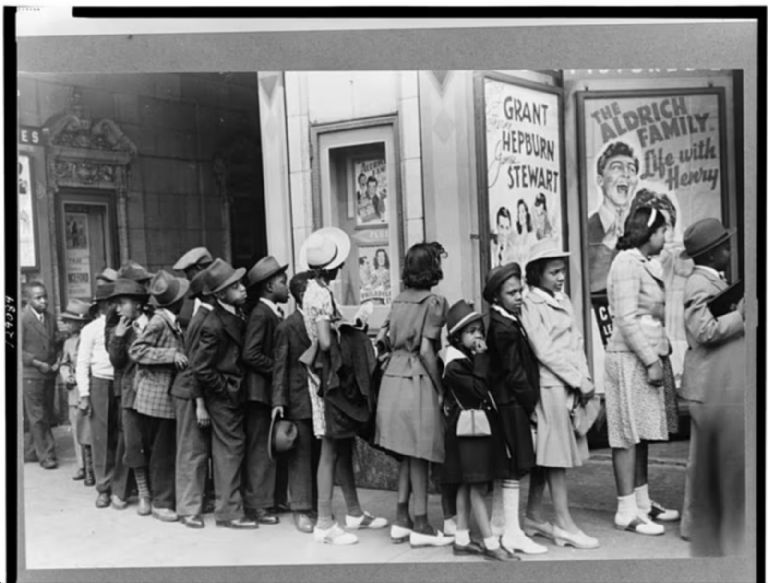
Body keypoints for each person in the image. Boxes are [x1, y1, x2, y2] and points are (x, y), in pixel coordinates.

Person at [299, 227, 387, 545]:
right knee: (331, 447)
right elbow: (324, 340)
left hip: (326, 375)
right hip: (327, 379)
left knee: (342, 444)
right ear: (332, 266)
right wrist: (348, 328)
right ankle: (324, 521)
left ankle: (353, 510)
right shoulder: (320, 294)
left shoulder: (314, 290)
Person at [604, 205, 679, 537]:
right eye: (663, 231)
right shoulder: (625, 264)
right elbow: (625, 318)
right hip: (629, 358)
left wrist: (658, 353)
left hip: (643, 356)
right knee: (626, 435)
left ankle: (643, 504)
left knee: (643, 433)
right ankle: (626, 510)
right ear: (648, 233)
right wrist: (650, 360)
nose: (666, 237)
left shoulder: (645, 263)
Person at [520, 239, 599, 549]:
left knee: (550, 455)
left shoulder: (561, 299)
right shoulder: (530, 304)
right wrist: (578, 380)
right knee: (555, 457)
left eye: (562, 270)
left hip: (567, 385)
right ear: (537, 273)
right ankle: (563, 523)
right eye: (554, 271)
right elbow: (545, 351)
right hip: (549, 385)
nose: (560, 276)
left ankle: (534, 515)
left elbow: (576, 341)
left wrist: (584, 380)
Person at [375, 241, 453, 548]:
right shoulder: (434, 302)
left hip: (392, 379)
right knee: (421, 452)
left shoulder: (397, 301)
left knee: (405, 455)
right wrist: (441, 387)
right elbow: (426, 350)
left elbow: (383, 337)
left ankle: (401, 518)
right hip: (416, 378)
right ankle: (421, 524)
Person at [678, 218, 745, 555]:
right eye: (726, 246)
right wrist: (742, 316)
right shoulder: (698, 285)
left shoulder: (709, 280)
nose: (730, 250)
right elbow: (704, 332)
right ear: (714, 254)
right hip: (706, 386)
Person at [441, 300, 519, 562]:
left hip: (473, 431)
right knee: (476, 485)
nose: (477, 336)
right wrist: (482, 358)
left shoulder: (468, 359)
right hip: (468, 433)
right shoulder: (454, 365)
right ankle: (489, 542)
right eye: (470, 331)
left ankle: (462, 538)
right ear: (456, 337)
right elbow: (477, 390)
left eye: (479, 330)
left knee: (467, 483)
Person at [482, 263, 547, 555]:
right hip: (511, 403)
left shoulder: (505, 320)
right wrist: (531, 402)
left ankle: (499, 525)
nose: (519, 296)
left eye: (520, 290)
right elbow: (514, 372)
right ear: (496, 297)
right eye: (512, 293)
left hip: (507, 402)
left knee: (507, 466)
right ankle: (512, 532)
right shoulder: (503, 327)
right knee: (513, 467)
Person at [191, 258, 259, 529]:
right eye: (235, 286)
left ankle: (232, 507)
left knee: (233, 449)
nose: (242, 289)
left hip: (231, 395)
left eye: (240, 284)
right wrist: (227, 390)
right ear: (220, 294)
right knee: (230, 451)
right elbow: (201, 368)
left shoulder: (233, 314)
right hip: (225, 398)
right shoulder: (214, 323)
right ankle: (229, 512)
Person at [129, 271, 189, 523]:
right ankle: (161, 503)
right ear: (175, 301)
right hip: (155, 399)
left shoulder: (168, 320)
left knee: (164, 449)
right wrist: (170, 355)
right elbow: (137, 350)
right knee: (161, 452)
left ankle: (164, 498)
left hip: (160, 397)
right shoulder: (159, 322)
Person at [242, 255, 290, 526]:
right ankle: (259, 504)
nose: (286, 288)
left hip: (268, 392)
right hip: (259, 393)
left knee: (270, 447)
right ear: (270, 287)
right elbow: (251, 354)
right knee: (261, 449)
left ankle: (270, 499)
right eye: (282, 283)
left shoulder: (270, 312)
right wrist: (277, 369)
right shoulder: (261, 314)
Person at [272, 271, 320, 534]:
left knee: (317, 453)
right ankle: (301, 509)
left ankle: (313, 504)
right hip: (299, 398)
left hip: (319, 399)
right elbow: (280, 366)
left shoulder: (321, 322)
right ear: (303, 295)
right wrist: (278, 401)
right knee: (300, 455)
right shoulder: (287, 326)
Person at [170, 268, 214, 528]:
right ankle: (188, 508)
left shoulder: (202, 315)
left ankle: (195, 501)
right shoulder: (200, 319)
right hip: (189, 392)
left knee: (197, 450)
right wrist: (200, 404)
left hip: (193, 390)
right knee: (192, 451)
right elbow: (196, 365)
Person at [106, 278, 152, 513]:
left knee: (155, 443)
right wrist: (119, 337)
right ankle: (144, 494)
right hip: (130, 394)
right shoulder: (118, 329)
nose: (117, 308)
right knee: (133, 444)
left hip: (155, 393)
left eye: (122, 303)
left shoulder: (154, 322)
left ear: (137, 304)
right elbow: (117, 362)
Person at [76, 282, 117, 507]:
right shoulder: (90, 329)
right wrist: (84, 395)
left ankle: (121, 486)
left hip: (121, 382)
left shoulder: (124, 325)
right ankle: (104, 487)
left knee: (121, 435)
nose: (116, 307)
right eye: (113, 302)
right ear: (103, 305)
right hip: (100, 384)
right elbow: (81, 364)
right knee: (101, 438)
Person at [588, 141, 640, 294]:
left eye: (631, 169)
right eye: (617, 167)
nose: (626, 173)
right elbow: (591, 284)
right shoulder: (586, 230)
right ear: (600, 180)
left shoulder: (643, 230)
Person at [21, 281, 60, 469]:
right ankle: (46, 455)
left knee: (43, 413)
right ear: (27, 299)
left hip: (48, 374)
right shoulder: (21, 319)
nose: (43, 300)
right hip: (31, 374)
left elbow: (54, 341)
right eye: (38, 297)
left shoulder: (50, 318)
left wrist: (57, 360)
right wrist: (36, 363)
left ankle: (30, 452)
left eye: (45, 296)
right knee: (37, 415)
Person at [57, 299, 92, 480]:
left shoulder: (91, 338)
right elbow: (64, 363)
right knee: (77, 429)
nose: (67, 324)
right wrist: (66, 376)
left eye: (70, 321)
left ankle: (93, 467)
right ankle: (81, 466)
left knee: (90, 430)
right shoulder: (68, 343)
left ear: (81, 322)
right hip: (74, 393)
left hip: (89, 391)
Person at [173, 246, 214, 330]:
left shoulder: (218, 292)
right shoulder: (196, 292)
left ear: (199, 269)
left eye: (188, 272)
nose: (187, 277)